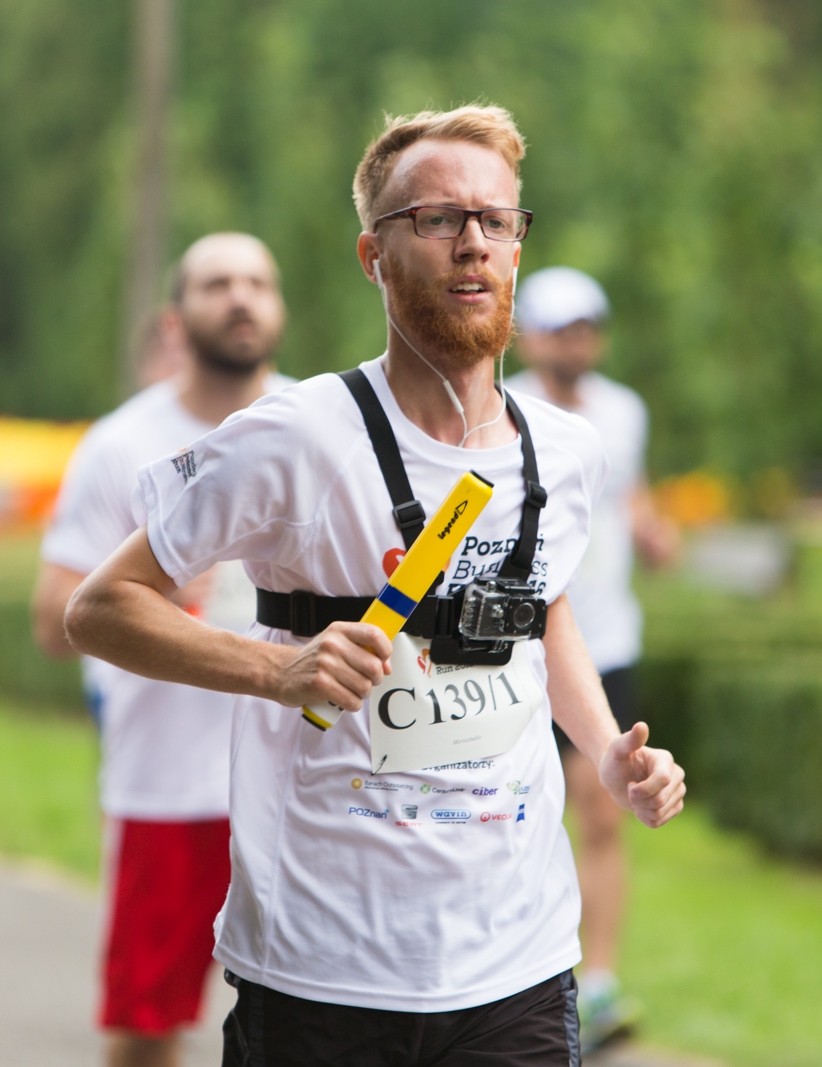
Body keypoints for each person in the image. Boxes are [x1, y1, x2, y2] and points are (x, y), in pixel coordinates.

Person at [64, 105, 686, 1067]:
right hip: (323, 965)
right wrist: (274, 670)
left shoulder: (568, 452)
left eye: (497, 221)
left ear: (519, 247)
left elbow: (539, 608)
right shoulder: (295, 435)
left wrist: (602, 748)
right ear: (373, 255)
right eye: (437, 219)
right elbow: (99, 606)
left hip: (515, 961)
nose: (473, 243)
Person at [33, 233, 293, 1067]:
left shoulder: (317, 426)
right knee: (150, 1025)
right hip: (169, 786)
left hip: (307, 781)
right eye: (218, 284)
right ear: (176, 317)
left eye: (258, 281)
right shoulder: (121, 444)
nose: (241, 297)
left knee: (326, 1024)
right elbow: (53, 616)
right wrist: (163, 599)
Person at [507, 266, 678, 1053]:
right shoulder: (501, 409)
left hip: (607, 639)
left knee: (602, 812)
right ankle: (518, 970)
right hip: (516, 645)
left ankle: (599, 982)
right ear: (529, 334)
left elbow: (630, 493)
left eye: (585, 327)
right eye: (558, 328)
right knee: (513, 811)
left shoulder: (624, 411)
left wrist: (652, 528)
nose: (573, 341)